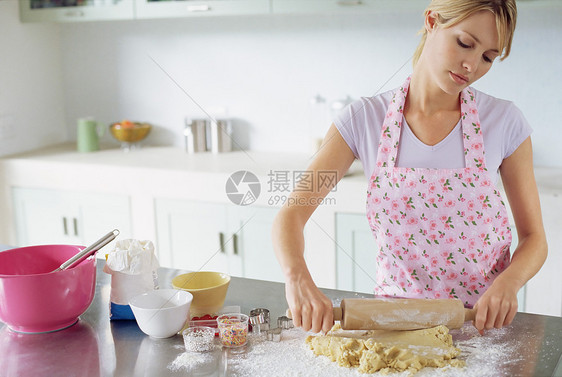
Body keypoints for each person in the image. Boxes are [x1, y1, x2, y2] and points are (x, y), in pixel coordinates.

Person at [272, 0, 548, 336]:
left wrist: (509, 283)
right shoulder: (365, 120)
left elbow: (534, 238)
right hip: (394, 327)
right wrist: (296, 277)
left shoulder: (504, 122)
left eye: (488, 57)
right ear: (432, 21)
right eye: (465, 43)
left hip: (480, 327)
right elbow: (292, 213)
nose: (471, 65)